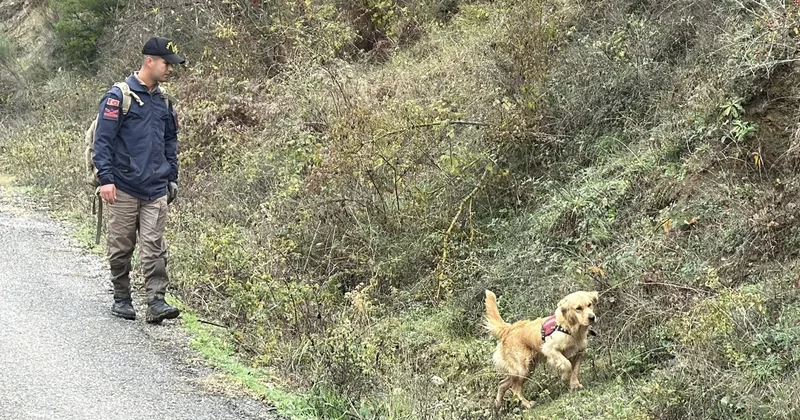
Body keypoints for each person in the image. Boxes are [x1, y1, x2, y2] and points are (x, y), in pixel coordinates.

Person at [93, 36, 185, 323]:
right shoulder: (118, 97)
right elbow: (103, 141)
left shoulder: (164, 100)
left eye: (172, 64)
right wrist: (105, 179)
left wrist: (172, 177)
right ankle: (122, 297)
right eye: (166, 63)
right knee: (122, 246)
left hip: (155, 187)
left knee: (154, 245)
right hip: (123, 186)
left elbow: (170, 141)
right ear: (149, 61)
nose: (170, 69)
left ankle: (156, 301)